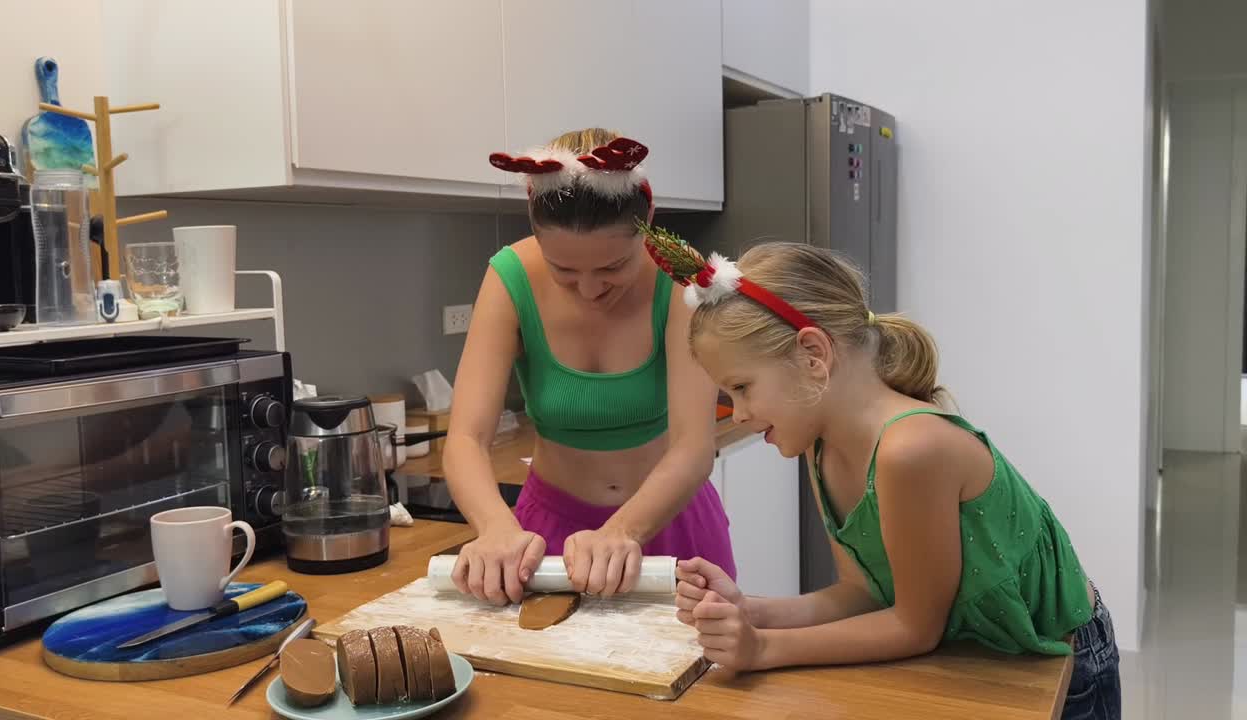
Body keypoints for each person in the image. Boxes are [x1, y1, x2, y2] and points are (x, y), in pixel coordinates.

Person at [638, 226, 1121, 720]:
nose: (737, 414)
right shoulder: (819, 443)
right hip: (979, 658)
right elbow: (863, 593)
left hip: (1062, 668)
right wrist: (750, 610)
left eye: (742, 386)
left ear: (813, 355)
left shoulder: (910, 450)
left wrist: (762, 648)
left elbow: (915, 627)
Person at [443, 130, 735, 606]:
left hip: (668, 524)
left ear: (649, 225)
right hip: (545, 536)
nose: (589, 289)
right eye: (564, 270)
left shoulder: (682, 278)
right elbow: (466, 439)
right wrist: (495, 527)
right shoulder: (508, 277)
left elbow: (693, 446)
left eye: (613, 267)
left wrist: (622, 530)